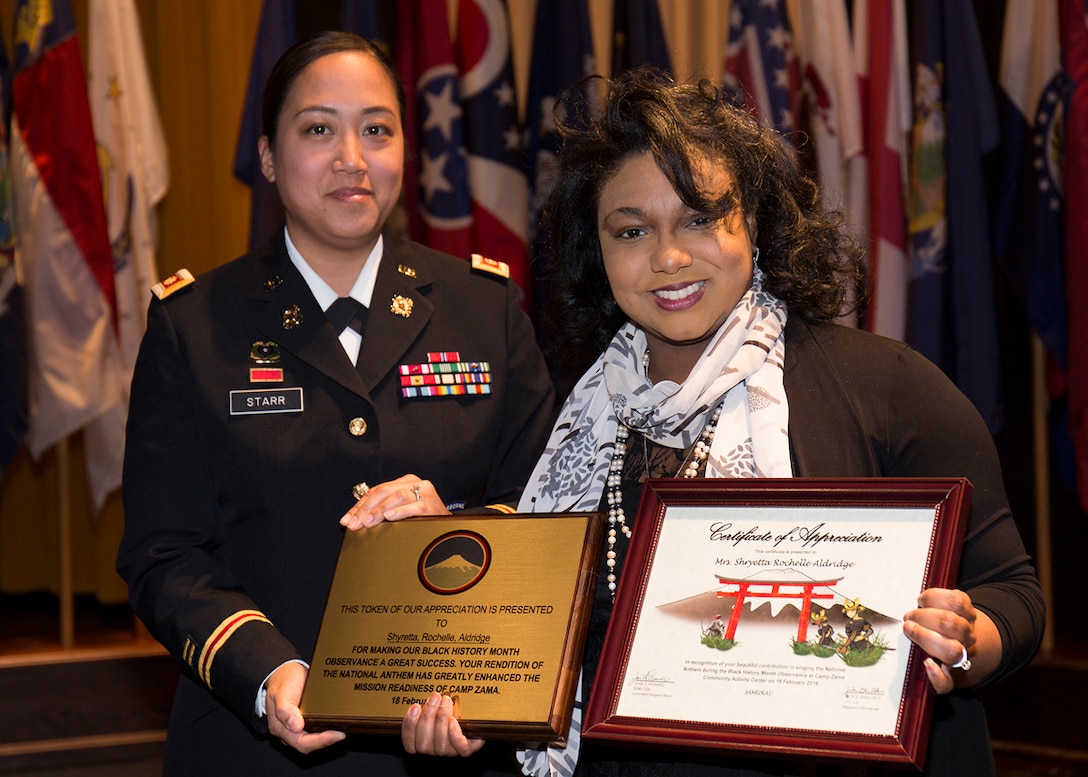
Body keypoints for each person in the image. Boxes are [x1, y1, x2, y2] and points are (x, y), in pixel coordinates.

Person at [401, 69, 1045, 776]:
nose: (669, 257)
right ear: (599, 250)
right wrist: (464, 710)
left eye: (701, 217)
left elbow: (1014, 596)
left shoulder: (889, 390)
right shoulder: (573, 430)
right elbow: (531, 665)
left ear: (757, 221)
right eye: (632, 230)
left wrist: (963, 636)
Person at [117, 31, 554, 776]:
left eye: (377, 129)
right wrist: (266, 674)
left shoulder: (486, 308)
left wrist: (454, 529)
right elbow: (163, 553)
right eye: (318, 128)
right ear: (266, 156)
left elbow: (549, 514)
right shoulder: (193, 325)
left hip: (453, 743)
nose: (352, 156)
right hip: (253, 746)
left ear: (406, 151)